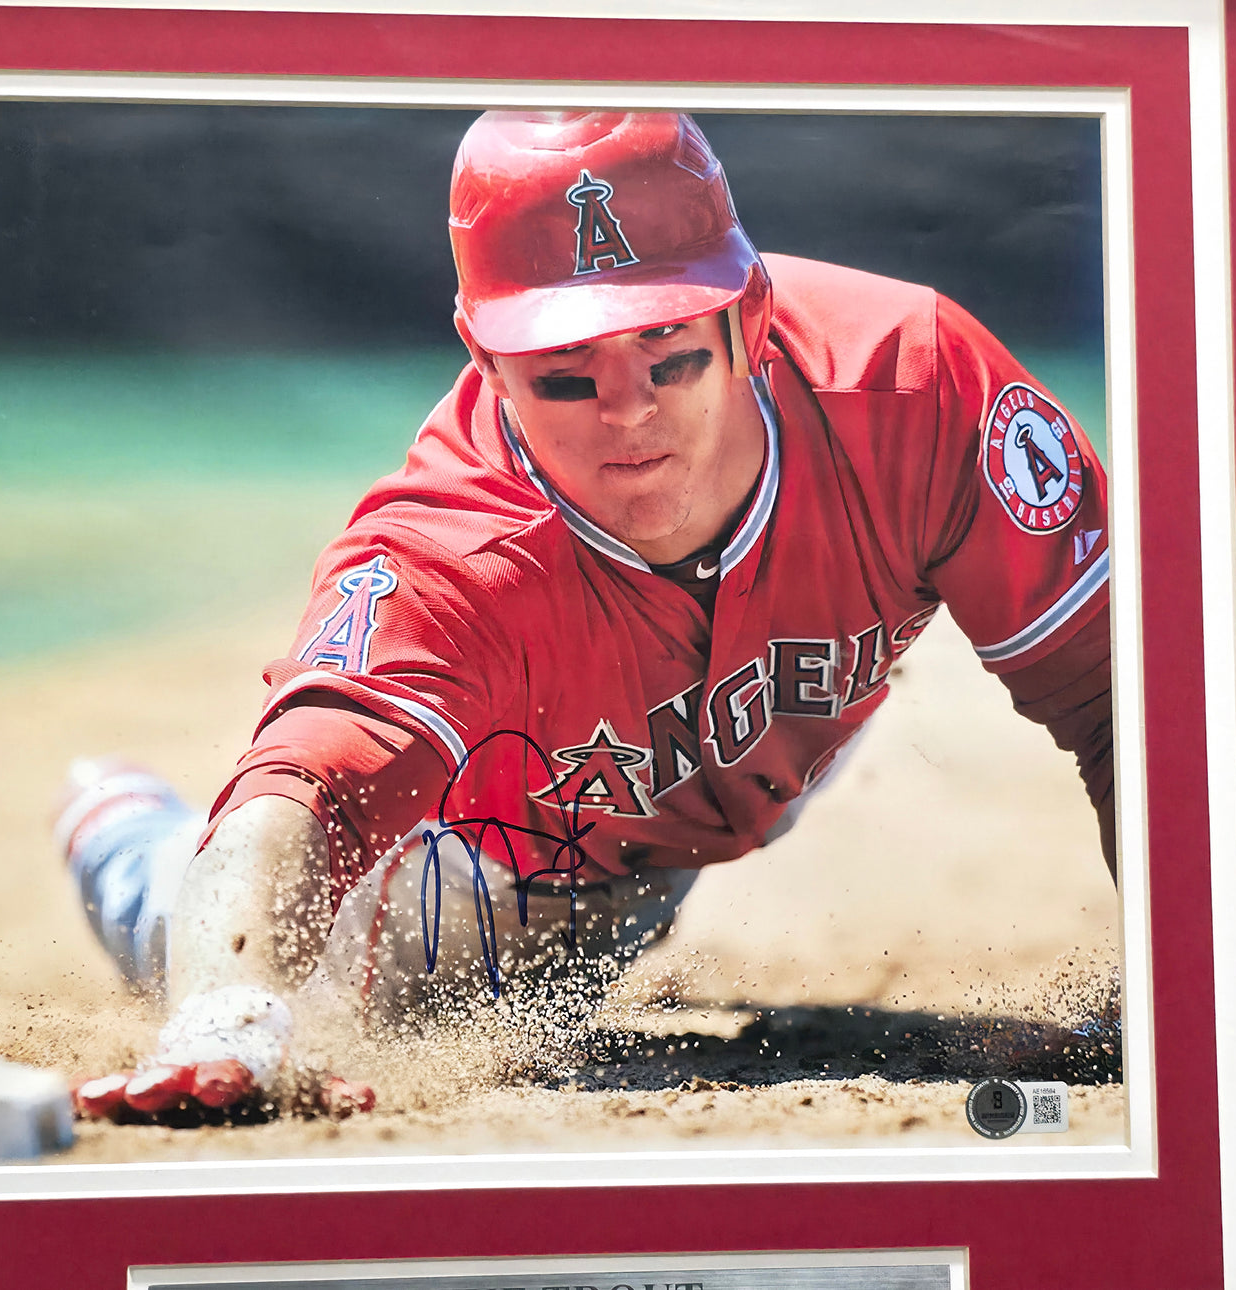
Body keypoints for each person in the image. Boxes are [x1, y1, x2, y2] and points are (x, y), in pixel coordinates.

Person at [62, 110, 1113, 1121]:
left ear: (747, 317)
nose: (628, 411)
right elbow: (302, 798)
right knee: (255, 981)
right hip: (521, 863)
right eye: (565, 375)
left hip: (725, 751)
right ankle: (120, 835)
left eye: (668, 352)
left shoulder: (916, 390)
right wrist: (225, 1015)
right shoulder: (448, 554)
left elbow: (1131, 703)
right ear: (487, 364)